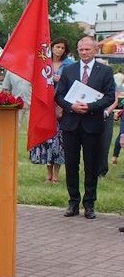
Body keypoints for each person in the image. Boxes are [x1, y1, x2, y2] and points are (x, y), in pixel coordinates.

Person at [55, 37, 115, 220]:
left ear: (95, 50)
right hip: (71, 124)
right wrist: (70, 106)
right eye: (81, 49)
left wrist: (90, 106)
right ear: (77, 50)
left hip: (92, 124)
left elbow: (109, 97)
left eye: (88, 49)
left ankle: (89, 204)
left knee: (91, 166)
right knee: (71, 165)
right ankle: (73, 202)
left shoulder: (105, 71)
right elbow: (59, 96)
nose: (84, 52)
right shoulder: (69, 69)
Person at [29, 38, 74, 183]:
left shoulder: (69, 65)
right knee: (46, 140)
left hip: (61, 106)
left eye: (62, 47)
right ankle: (48, 173)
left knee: (58, 141)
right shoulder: (43, 62)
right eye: (57, 47)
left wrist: (60, 79)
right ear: (52, 47)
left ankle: (56, 175)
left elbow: (73, 83)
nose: (59, 50)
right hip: (45, 105)